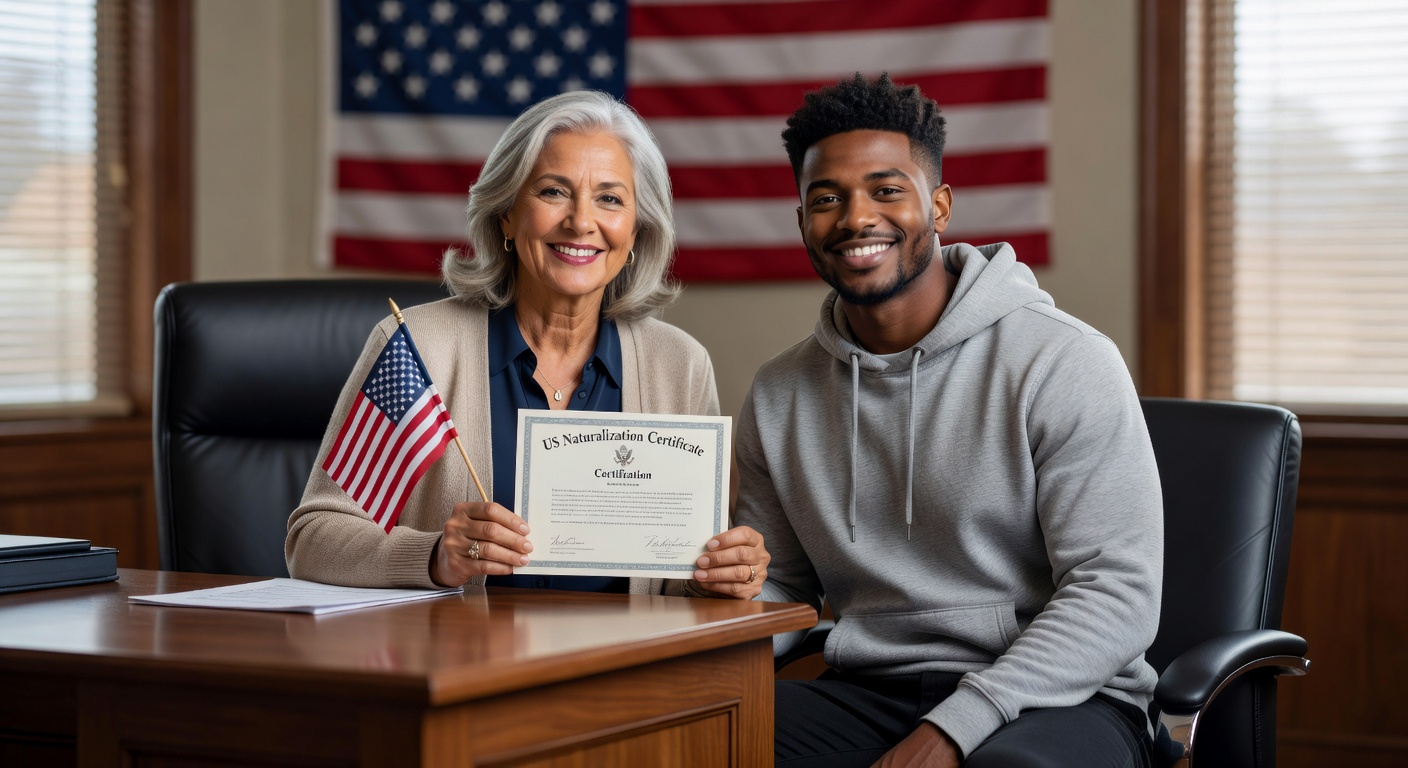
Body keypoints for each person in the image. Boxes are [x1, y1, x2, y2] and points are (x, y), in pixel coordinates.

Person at [733, 73, 1162, 767]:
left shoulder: (1064, 361)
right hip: (867, 688)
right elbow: (783, 583)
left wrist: (955, 727)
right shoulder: (780, 392)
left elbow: (1116, 595)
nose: (854, 218)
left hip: (1061, 696)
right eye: (826, 199)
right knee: (689, 742)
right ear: (802, 221)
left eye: (886, 190)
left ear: (939, 206)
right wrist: (721, 597)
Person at [288, 90, 768, 600]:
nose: (581, 222)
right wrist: (433, 556)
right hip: (465, 667)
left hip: (625, 671)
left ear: (636, 230)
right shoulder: (418, 348)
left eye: (609, 198)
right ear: (506, 216)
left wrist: (724, 576)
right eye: (553, 192)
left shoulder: (680, 365)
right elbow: (312, 538)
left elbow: (679, 584)